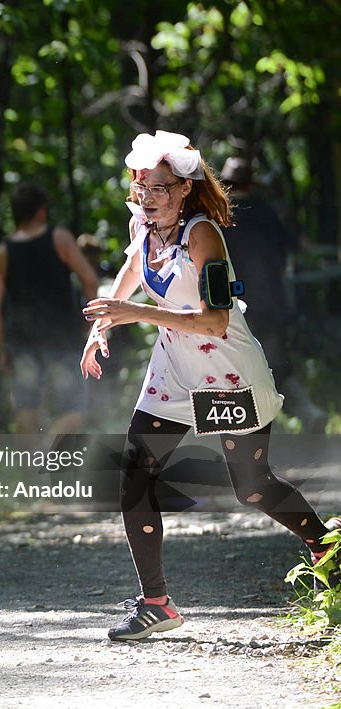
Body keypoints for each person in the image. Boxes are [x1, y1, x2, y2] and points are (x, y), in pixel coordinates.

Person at [80, 130, 339, 641]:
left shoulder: (203, 236)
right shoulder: (144, 226)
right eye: (140, 188)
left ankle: (328, 549)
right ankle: (156, 601)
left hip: (226, 373)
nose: (147, 197)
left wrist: (133, 313)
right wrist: (101, 326)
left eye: (158, 188)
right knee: (134, 474)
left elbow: (216, 322)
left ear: (183, 189)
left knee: (253, 486)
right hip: (173, 370)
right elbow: (133, 267)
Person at [220, 156, 326, 432]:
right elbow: (296, 245)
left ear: (226, 184)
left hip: (235, 309)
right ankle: (308, 412)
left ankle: (250, 433)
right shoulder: (266, 212)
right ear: (251, 183)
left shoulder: (218, 217)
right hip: (273, 305)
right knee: (277, 366)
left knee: (236, 373)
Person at [0, 184, 99, 433]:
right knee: (74, 410)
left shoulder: (2, 254)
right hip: (63, 338)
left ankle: (29, 469)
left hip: (22, 341)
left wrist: (4, 347)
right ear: (41, 211)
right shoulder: (60, 239)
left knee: (26, 408)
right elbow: (90, 281)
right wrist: (91, 325)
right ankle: (48, 452)